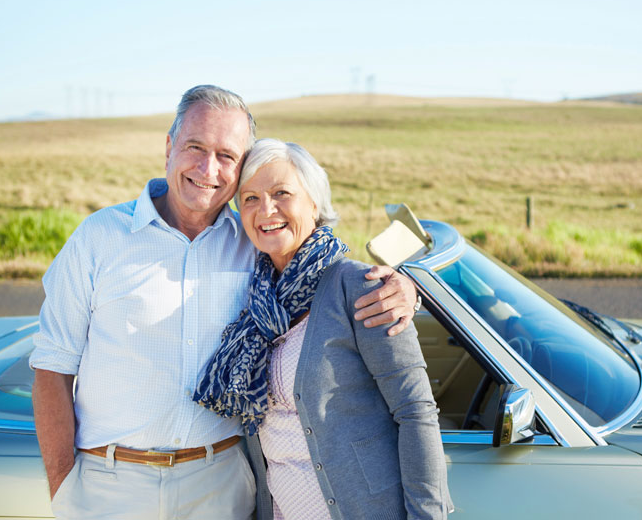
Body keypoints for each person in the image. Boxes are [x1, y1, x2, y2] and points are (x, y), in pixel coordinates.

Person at [29, 85, 419, 520]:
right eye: (195, 147)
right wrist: (64, 491)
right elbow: (52, 367)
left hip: (221, 487)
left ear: (240, 168)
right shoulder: (99, 238)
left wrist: (402, 287)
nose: (207, 168)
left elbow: (317, 264)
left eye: (227, 156)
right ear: (169, 147)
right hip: (111, 485)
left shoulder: (254, 240)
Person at [194, 138, 452, 520]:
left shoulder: (361, 288)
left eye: (282, 193)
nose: (266, 209)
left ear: (314, 202)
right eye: (250, 198)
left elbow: (415, 411)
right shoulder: (254, 299)